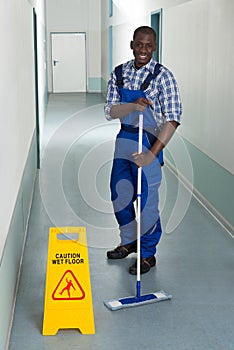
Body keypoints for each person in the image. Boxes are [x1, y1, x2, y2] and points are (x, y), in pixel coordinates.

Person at [104, 26, 182, 275]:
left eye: (149, 46)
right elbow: (110, 111)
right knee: (120, 195)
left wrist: (151, 154)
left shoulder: (163, 77)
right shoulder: (119, 73)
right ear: (132, 45)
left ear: (154, 47)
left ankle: (148, 254)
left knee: (147, 203)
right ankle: (129, 242)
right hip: (123, 142)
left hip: (149, 144)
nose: (143, 50)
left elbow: (172, 119)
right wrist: (130, 106)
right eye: (139, 44)